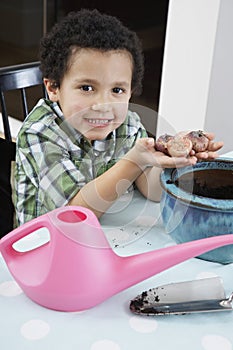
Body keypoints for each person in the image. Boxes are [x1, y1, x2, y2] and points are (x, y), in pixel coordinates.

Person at [13, 8, 223, 226]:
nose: (103, 106)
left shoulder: (128, 125)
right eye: (86, 88)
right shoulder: (40, 133)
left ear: (131, 91)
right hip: (44, 244)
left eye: (117, 90)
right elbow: (75, 216)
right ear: (54, 87)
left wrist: (177, 162)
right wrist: (134, 160)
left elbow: (151, 190)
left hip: (107, 234)